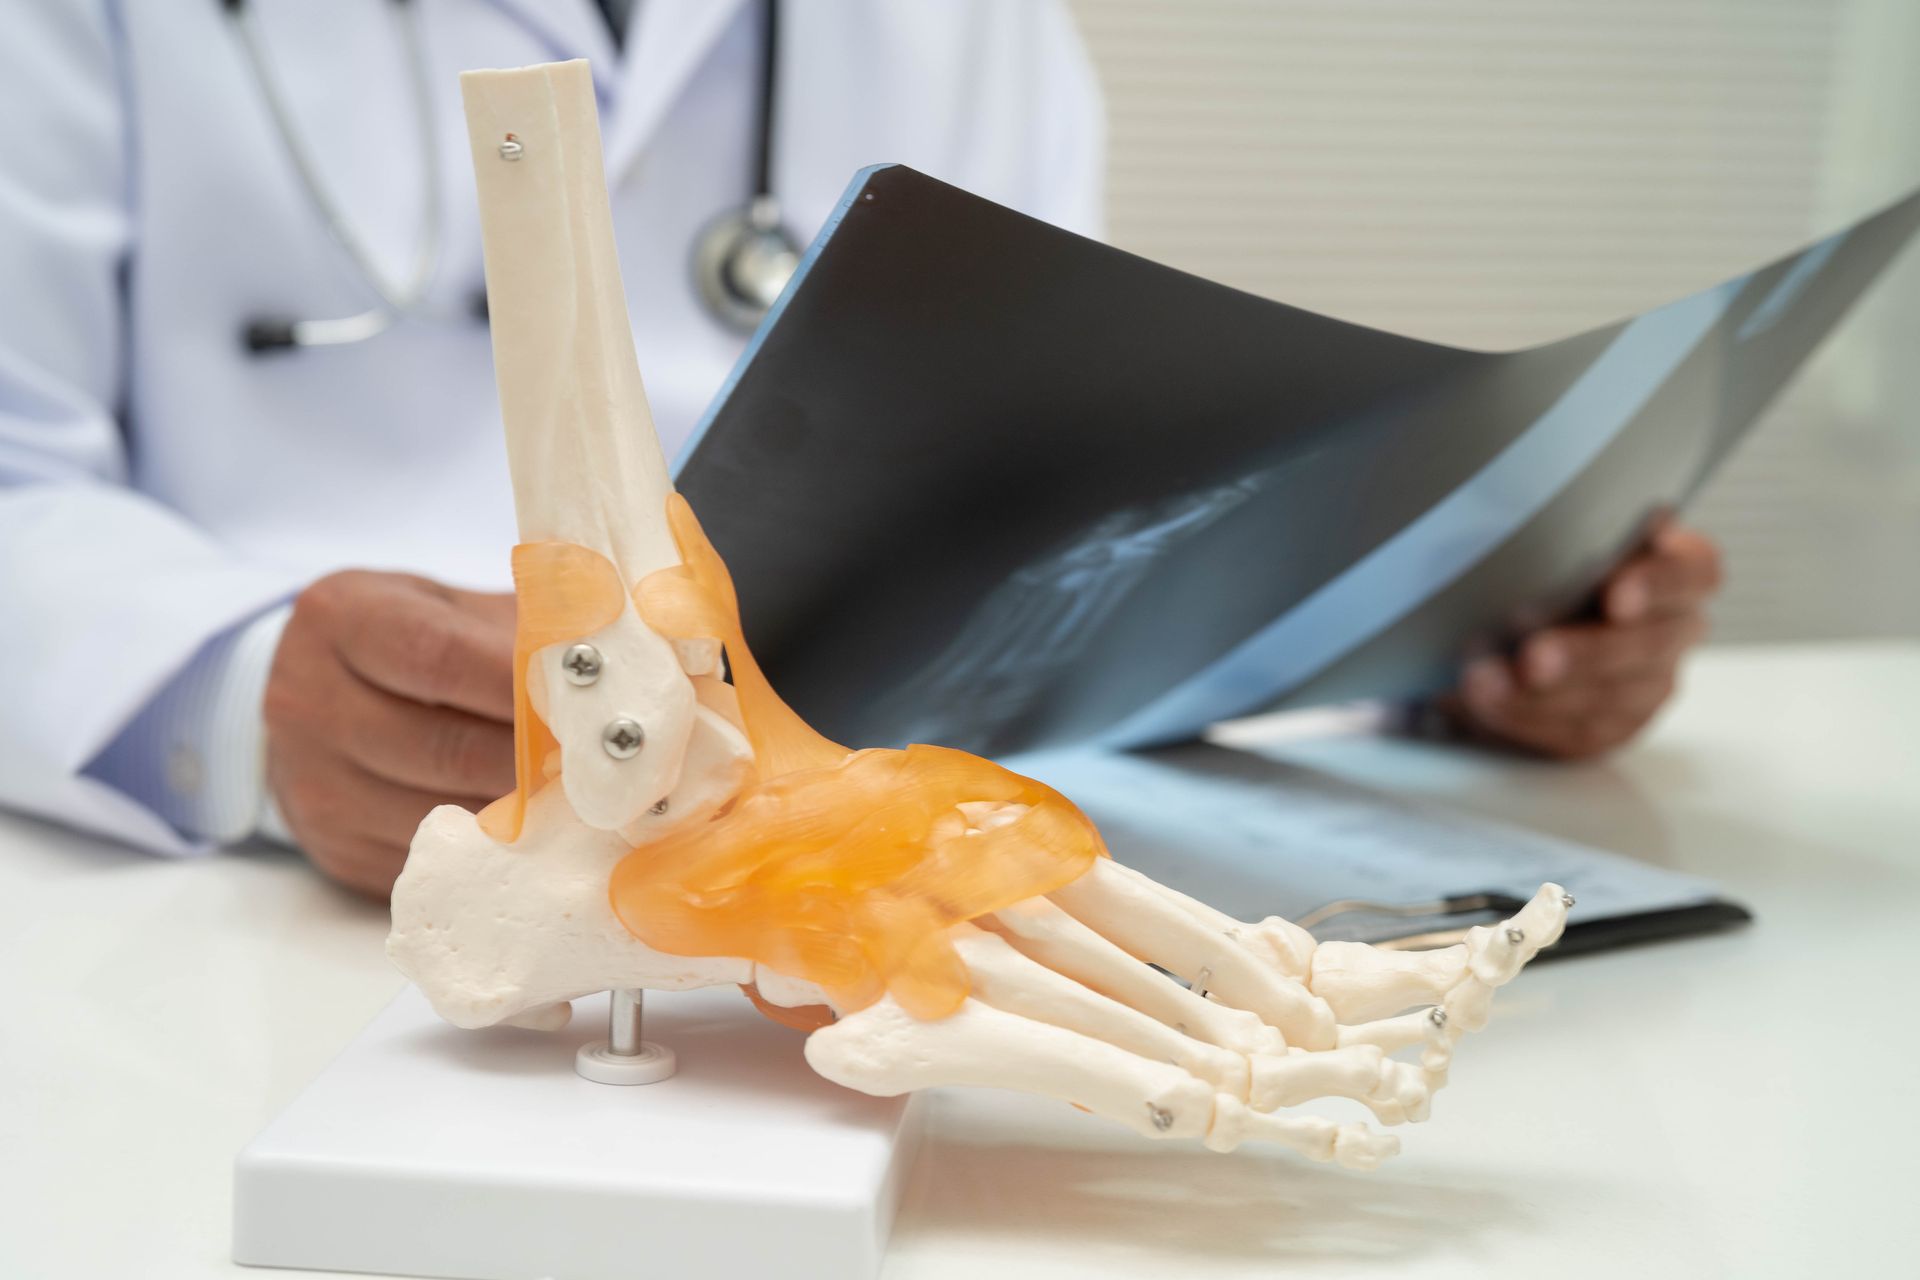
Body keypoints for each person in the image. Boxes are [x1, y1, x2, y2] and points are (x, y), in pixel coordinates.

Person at [0, 0, 1718, 899]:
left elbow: (1071, 472)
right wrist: (234, 692)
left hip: (853, 874)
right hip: (266, 912)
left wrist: (1443, 628)